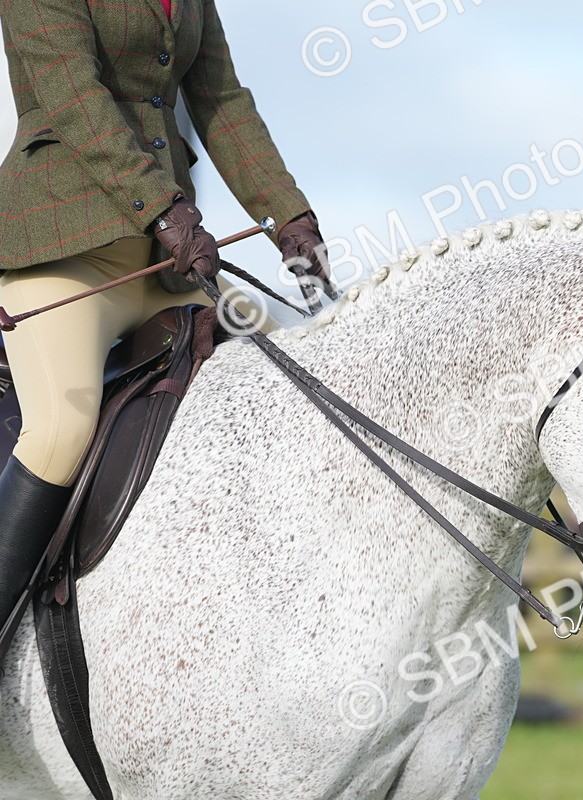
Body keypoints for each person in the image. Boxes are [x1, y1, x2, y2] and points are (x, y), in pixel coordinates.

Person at [0, 0, 334, 627]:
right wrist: (162, 206)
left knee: (287, 388)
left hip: (166, 265)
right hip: (64, 253)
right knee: (58, 434)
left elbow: (221, 100)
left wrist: (289, 216)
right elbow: (72, 93)